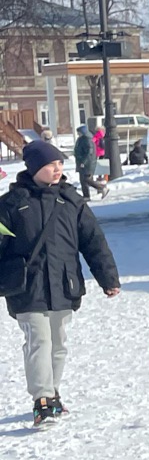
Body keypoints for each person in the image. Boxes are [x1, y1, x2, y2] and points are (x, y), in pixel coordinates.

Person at [1, 138, 120, 428]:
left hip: (64, 284)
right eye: (50, 164)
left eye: (60, 163)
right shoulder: (11, 204)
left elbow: (93, 241)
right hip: (26, 286)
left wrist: (108, 278)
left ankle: (53, 392)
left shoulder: (71, 201)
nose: (57, 169)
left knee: (58, 342)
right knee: (38, 340)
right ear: (34, 168)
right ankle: (42, 400)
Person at [72, 124, 106, 199]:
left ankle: (101, 188)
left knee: (86, 179)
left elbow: (89, 153)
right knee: (83, 180)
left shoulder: (87, 139)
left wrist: (84, 162)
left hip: (87, 163)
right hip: (82, 162)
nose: (78, 134)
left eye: (79, 132)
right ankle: (86, 196)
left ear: (83, 132)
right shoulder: (82, 139)